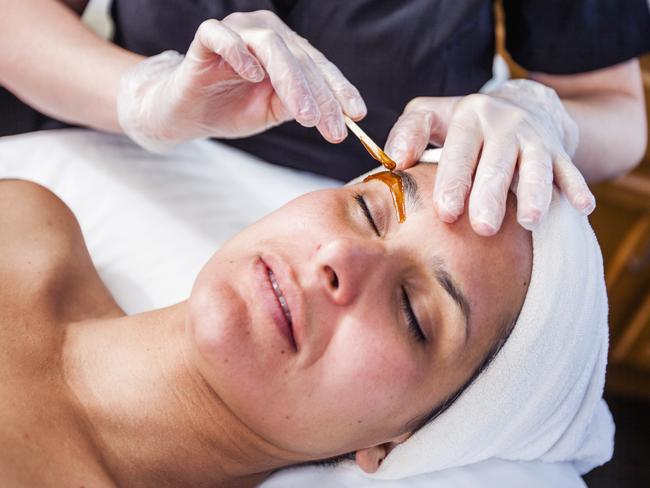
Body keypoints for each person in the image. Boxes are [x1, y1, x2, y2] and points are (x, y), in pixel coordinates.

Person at [0, 161, 610, 487]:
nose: (340, 259)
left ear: (399, 440)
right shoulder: (27, 223)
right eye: (371, 210)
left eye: (412, 313)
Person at [1, 1, 648, 236]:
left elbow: (617, 110)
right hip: (122, 154)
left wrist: (535, 115)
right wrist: (143, 99)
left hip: (370, 205)